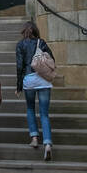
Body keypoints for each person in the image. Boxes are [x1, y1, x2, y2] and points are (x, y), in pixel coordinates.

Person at [16, 20, 54, 161]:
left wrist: (18, 86)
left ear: (24, 31)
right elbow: (51, 59)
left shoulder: (20, 45)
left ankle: (34, 138)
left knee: (30, 108)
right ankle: (48, 143)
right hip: (43, 79)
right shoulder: (41, 42)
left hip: (29, 80)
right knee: (44, 113)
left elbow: (19, 66)